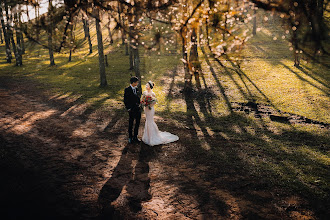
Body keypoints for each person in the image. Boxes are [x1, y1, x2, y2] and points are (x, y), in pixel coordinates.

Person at [141, 81, 179, 146]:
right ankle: (147, 136)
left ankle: (152, 137)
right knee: (147, 120)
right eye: (146, 85)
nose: (146, 86)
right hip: (146, 109)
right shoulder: (144, 93)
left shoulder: (153, 93)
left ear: (150, 86)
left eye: (147, 85)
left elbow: (154, 102)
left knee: (150, 121)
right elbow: (142, 100)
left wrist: (150, 105)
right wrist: (144, 103)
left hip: (150, 108)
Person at [124, 76, 141, 144]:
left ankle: (135, 137)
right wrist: (128, 108)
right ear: (133, 82)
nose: (137, 83)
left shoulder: (137, 89)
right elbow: (126, 100)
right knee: (131, 123)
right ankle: (130, 137)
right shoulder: (127, 89)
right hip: (131, 110)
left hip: (138, 109)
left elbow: (138, 98)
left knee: (137, 123)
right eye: (136, 82)